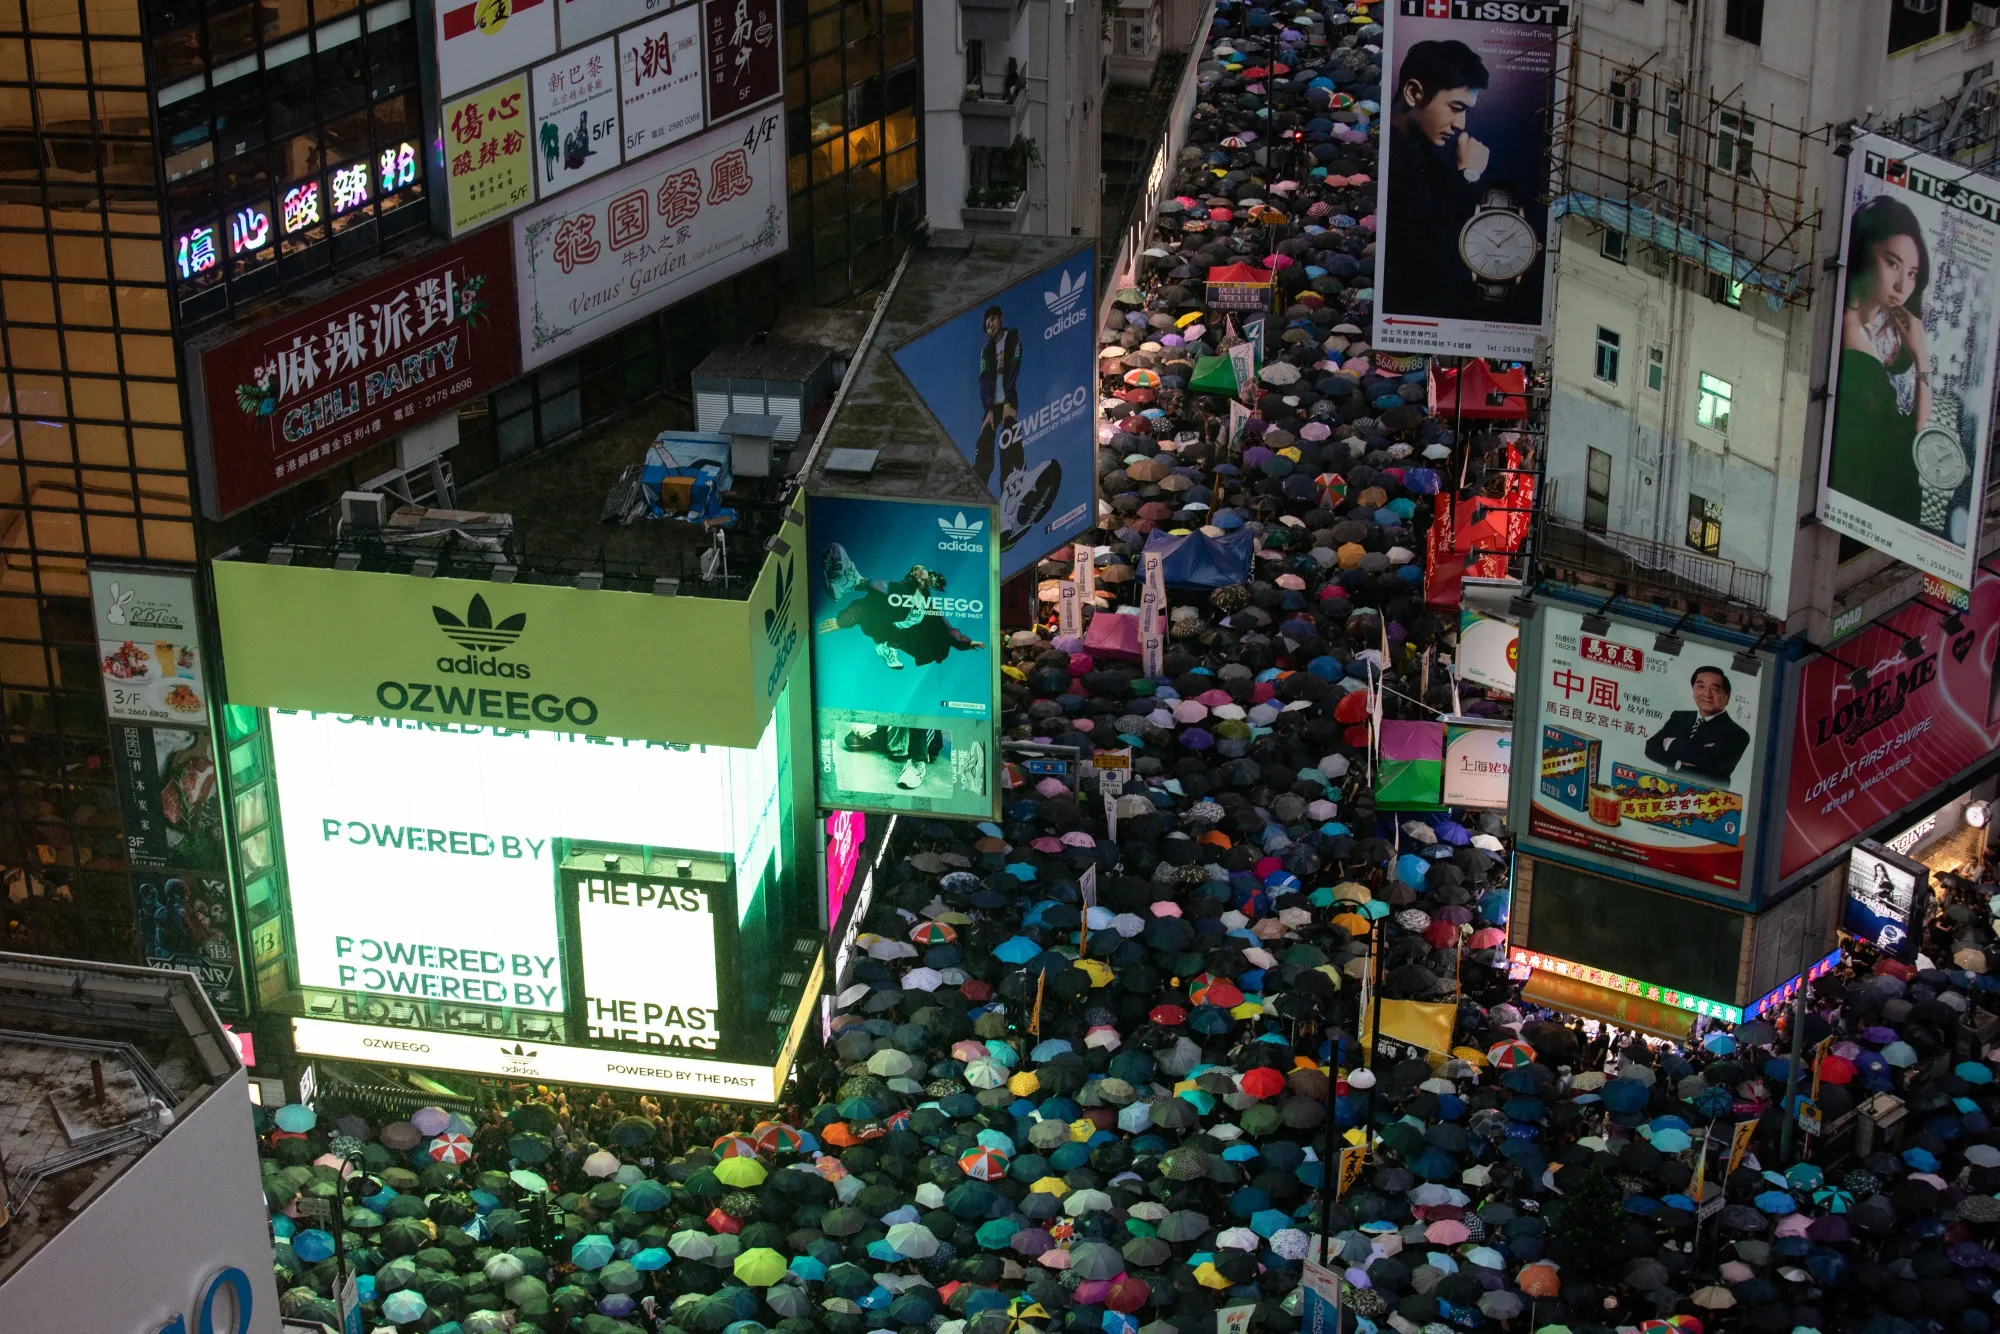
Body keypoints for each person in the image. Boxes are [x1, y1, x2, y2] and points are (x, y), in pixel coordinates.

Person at [1825, 194, 1932, 528]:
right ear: (1863, 252)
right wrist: (1922, 359)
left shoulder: (1864, 331)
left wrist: (1919, 357)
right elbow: (1912, 436)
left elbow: (1912, 431)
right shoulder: (1852, 335)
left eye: (1912, 272)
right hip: (1859, 507)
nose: (1903, 285)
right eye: (1892, 263)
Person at [1382, 39, 1490, 317]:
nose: (1460, 124)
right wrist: (1469, 175)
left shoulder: (1428, 156)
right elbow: (1435, 257)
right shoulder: (1390, 163)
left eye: (1467, 111)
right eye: (1455, 107)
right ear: (1413, 93)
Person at [1642, 665, 1750, 783]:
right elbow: (1650, 747)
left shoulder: (1738, 734)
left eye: (1715, 689)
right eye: (1701, 686)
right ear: (1693, 691)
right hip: (1668, 789)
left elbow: (1711, 760)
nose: (1707, 694)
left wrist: (1670, 742)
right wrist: (1679, 762)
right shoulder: (1679, 717)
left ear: (1727, 697)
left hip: (1708, 798)